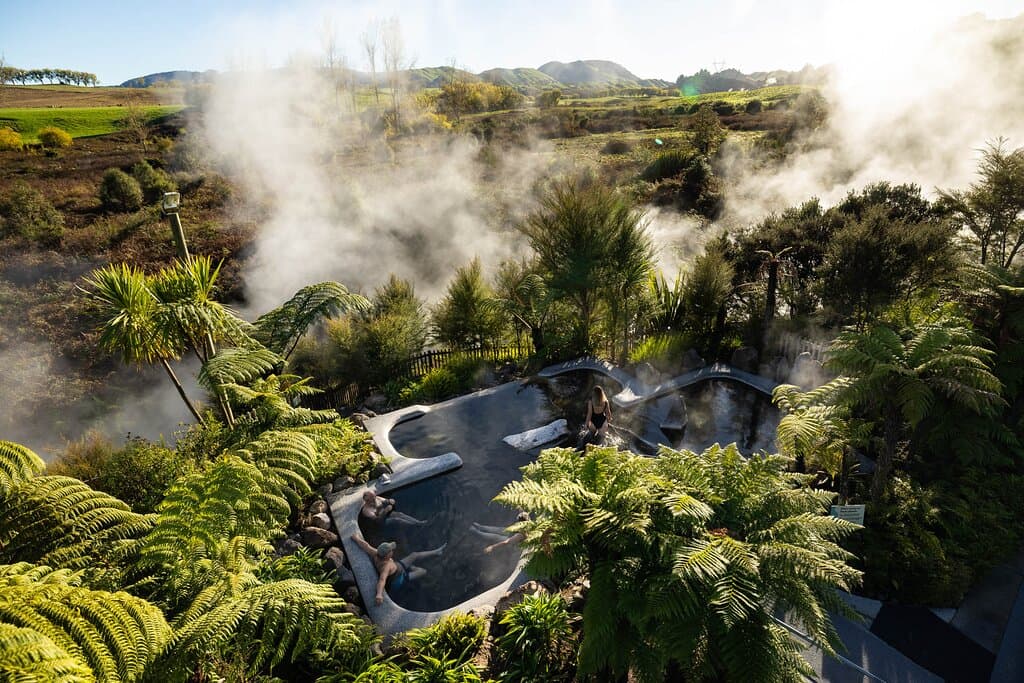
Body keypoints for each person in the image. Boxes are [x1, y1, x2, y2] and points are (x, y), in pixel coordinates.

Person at [350, 532, 446, 605]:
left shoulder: (376, 553)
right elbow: (382, 580)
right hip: (398, 579)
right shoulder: (386, 567)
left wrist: (356, 538)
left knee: (414, 555)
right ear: (387, 555)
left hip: (397, 567)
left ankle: (437, 552)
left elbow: (365, 546)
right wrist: (379, 594)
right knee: (423, 571)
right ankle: (411, 570)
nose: (393, 551)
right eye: (391, 550)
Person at [359, 490, 427, 525]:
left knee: (400, 514)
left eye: (374, 497)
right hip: (382, 522)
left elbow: (386, 501)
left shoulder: (376, 498)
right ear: (367, 501)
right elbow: (377, 521)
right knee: (397, 520)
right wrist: (385, 511)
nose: (375, 500)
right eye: (372, 499)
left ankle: (418, 522)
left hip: (386, 514)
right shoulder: (366, 510)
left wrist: (390, 501)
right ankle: (415, 526)